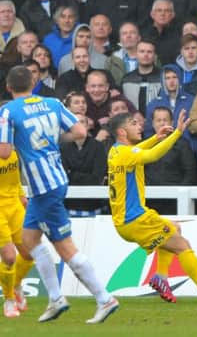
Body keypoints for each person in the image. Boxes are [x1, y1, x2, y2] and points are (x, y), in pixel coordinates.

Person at [0, 66, 119, 323]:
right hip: (56, 178)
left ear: (9, 87)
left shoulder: (8, 111)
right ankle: (55, 299)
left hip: (43, 187)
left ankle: (104, 298)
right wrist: (52, 140)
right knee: (29, 240)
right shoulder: (53, 103)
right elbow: (79, 132)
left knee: (65, 248)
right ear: (34, 84)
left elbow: (5, 151)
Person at [108, 110, 197, 304]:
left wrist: (156, 137)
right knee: (183, 246)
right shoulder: (127, 153)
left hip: (124, 220)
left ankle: (161, 277)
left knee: (175, 228)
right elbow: (152, 155)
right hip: (136, 219)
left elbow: (138, 151)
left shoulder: (115, 150)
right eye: (133, 123)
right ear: (122, 132)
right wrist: (177, 134)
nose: (139, 126)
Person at [0, 148, 34, 318]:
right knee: (9, 257)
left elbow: (14, 177)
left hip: (14, 205)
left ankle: (16, 284)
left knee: (29, 254)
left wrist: (21, 195)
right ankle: (9, 299)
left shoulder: (12, 149)